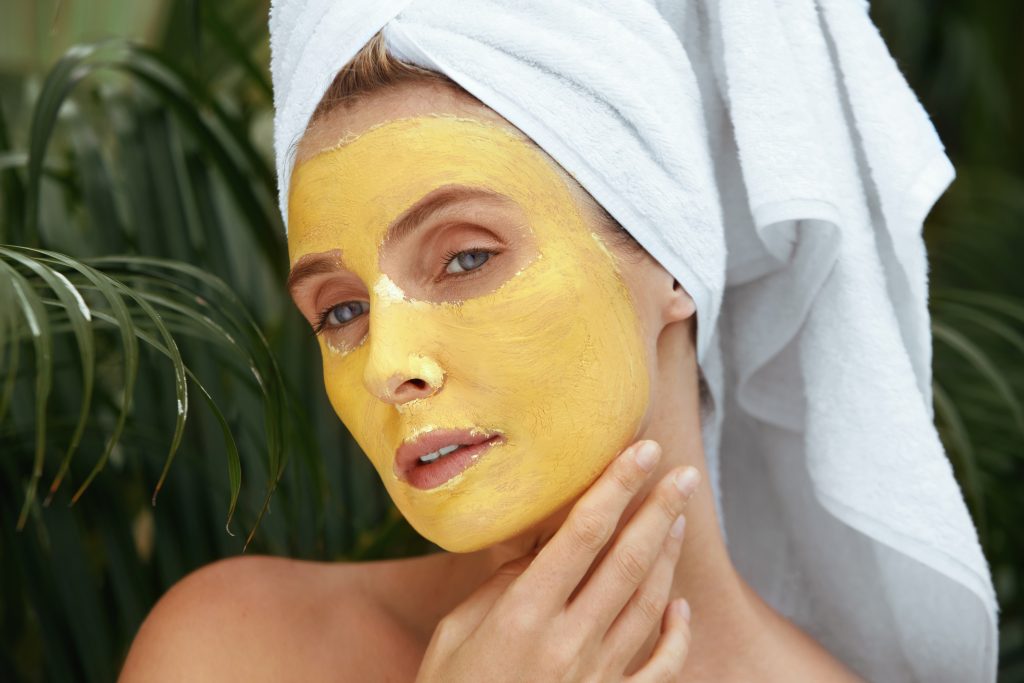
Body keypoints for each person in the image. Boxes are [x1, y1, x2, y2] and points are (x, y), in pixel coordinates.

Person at [121, 2, 998, 681]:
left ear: (672, 256)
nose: (389, 366)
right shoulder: (236, 650)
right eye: (342, 311)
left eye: (466, 256)